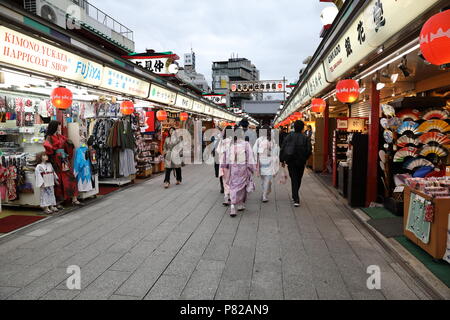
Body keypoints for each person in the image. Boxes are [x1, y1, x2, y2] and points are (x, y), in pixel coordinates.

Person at [43, 120, 81, 208]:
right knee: (59, 180)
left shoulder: (60, 136)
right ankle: (59, 201)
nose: (60, 127)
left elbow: (67, 143)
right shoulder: (49, 137)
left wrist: (69, 143)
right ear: (55, 127)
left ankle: (74, 198)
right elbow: (48, 148)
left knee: (70, 177)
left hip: (64, 159)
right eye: (58, 126)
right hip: (56, 160)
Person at [221, 127, 256, 217]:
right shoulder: (246, 144)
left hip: (233, 169)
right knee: (242, 187)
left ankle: (233, 206)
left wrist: (226, 166)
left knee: (233, 187)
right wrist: (252, 168)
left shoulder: (231, 145)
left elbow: (227, 157)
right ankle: (240, 204)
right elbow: (250, 157)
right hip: (243, 169)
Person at [280, 120, 312, 207]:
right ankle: (296, 197)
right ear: (302, 128)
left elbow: (283, 147)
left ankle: (295, 196)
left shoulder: (289, 136)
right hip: (301, 161)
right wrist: (305, 158)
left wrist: (282, 160)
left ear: (294, 127)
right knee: (298, 178)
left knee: (294, 178)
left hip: (291, 161)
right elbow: (309, 150)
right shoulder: (305, 137)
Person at [253, 125, 280, 203]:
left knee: (264, 180)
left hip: (263, 161)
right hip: (268, 161)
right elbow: (276, 151)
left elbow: (254, 151)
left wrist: (255, 159)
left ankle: (264, 194)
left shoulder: (260, 140)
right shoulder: (271, 140)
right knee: (266, 180)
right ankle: (265, 194)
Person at [217, 126, 233, 204]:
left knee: (225, 180)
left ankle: (226, 197)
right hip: (232, 163)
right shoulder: (233, 141)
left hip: (223, 163)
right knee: (231, 180)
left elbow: (218, 151)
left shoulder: (222, 141)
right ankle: (231, 196)